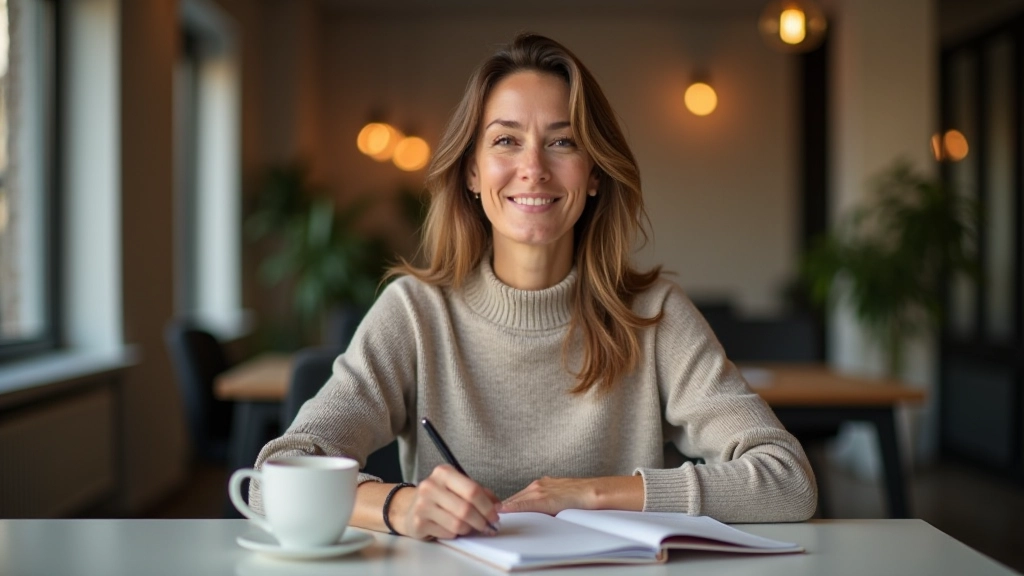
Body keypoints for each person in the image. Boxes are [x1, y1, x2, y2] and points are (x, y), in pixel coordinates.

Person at [250, 32, 817, 540]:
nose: (534, 168)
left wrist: (589, 494)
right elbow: (272, 479)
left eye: (563, 142)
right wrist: (400, 505)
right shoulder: (416, 313)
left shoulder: (654, 314)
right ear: (471, 172)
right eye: (505, 141)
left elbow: (788, 482)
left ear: (594, 173)